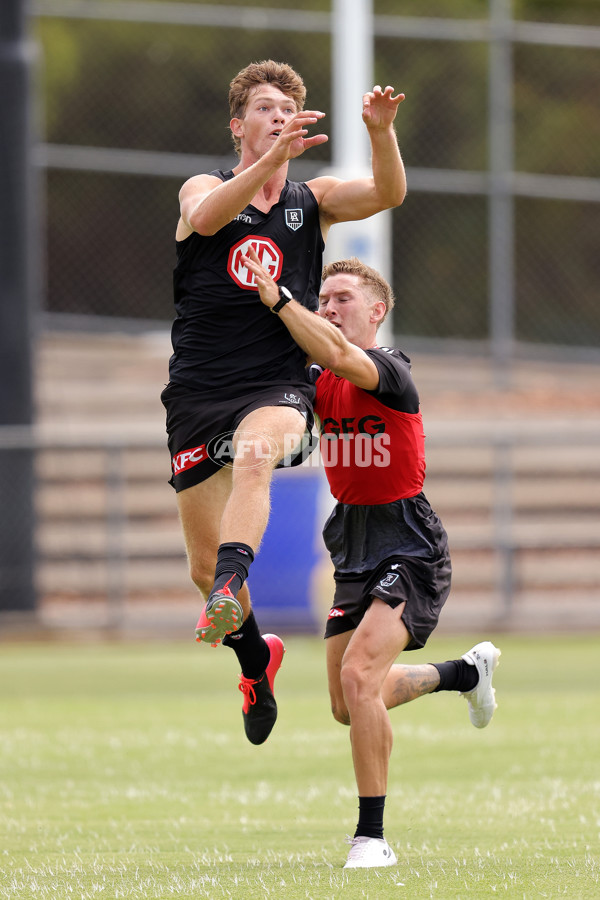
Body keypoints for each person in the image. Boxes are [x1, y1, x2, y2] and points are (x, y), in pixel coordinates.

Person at [160, 60, 407, 746]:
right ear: (238, 125)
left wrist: (381, 132)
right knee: (201, 567)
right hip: (198, 390)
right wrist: (267, 159)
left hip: (276, 382)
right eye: (264, 109)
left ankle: (231, 583)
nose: (277, 116)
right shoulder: (205, 187)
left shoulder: (313, 198)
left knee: (257, 454)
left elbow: (389, 192)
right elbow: (206, 218)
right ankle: (253, 658)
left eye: (285, 109)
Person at [242, 248, 501, 868]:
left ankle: (372, 838)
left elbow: (333, 354)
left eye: (343, 300)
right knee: (346, 701)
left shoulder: (388, 366)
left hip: (407, 541)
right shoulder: (317, 382)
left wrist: (278, 298)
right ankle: (465, 674)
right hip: (353, 542)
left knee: (359, 679)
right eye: (323, 299)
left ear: (376, 312)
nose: (329, 307)